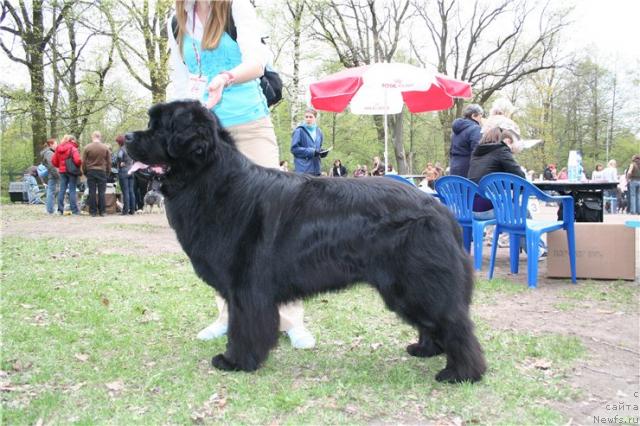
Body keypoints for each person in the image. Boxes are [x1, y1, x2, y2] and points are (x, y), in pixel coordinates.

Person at [168, 0, 314, 348]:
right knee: (216, 230)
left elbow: (257, 62)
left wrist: (226, 77)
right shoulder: (174, 20)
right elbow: (179, 77)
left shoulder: (237, 10)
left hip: (248, 122)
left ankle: (289, 318)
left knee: (274, 223)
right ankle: (229, 313)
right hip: (205, 137)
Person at [467, 127, 525, 219]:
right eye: (511, 142)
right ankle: (514, 233)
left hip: (470, 209)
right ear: (506, 141)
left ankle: (503, 232)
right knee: (524, 211)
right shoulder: (502, 150)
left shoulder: (476, 153)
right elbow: (521, 178)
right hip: (489, 209)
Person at [82, 131, 112, 217]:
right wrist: (108, 172)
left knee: (92, 192)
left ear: (93, 137)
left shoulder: (87, 147)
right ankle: (102, 211)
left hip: (91, 171)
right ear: (100, 137)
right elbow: (109, 162)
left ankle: (93, 212)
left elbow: (83, 162)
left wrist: (85, 171)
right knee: (102, 192)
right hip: (102, 171)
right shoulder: (105, 148)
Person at [449, 104, 483, 177]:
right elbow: (477, 151)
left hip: (453, 167)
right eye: (480, 116)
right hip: (468, 169)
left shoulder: (455, 131)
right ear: (473, 115)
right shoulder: (475, 129)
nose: (481, 119)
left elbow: (451, 150)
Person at [51, 134, 81, 215]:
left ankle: (60, 210)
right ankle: (74, 210)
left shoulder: (58, 148)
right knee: (72, 190)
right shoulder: (73, 148)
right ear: (71, 140)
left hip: (62, 172)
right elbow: (78, 160)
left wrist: (60, 166)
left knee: (62, 190)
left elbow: (53, 161)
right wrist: (77, 166)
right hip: (71, 171)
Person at [291, 108, 324, 176]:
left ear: (315, 118)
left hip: (316, 169)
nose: (308, 119)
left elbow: (318, 148)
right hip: (303, 170)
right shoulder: (299, 131)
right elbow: (294, 149)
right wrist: (312, 152)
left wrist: (322, 152)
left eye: (311, 117)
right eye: (306, 117)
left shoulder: (319, 132)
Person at [115, 134, 136, 215]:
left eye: (117, 142)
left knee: (125, 192)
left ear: (120, 142)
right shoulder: (130, 148)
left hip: (124, 172)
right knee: (131, 191)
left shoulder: (121, 149)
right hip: (131, 170)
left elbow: (120, 156)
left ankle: (125, 211)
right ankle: (132, 210)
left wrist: (120, 162)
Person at [40, 138, 60, 214]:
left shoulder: (50, 152)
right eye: (56, 143)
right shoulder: (49, 153)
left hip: (52, 174)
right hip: (53, 175)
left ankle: (50, 209)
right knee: (51, 192)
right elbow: (52, 166)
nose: (57, 145)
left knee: (51, 191)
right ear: (51, 144)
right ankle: (50, 210)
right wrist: (57, 175)